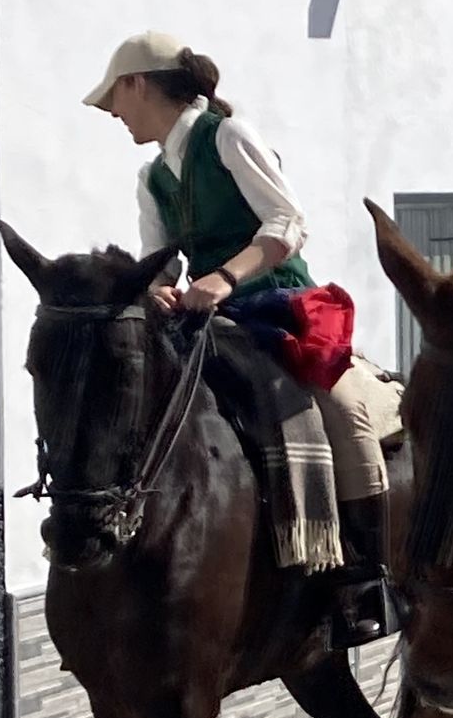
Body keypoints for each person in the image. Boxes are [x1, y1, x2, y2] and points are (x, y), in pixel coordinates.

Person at [84, 32, 392, 645]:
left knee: (340, 407)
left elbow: (289, 222)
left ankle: (366, 575)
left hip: (275, 306)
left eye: (114, 101)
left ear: (136, 84)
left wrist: (225, 278)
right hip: (206, 320)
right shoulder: (151, 179)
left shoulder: (227, 136)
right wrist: (161, 290)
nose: (114, 115)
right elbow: (159, 262)